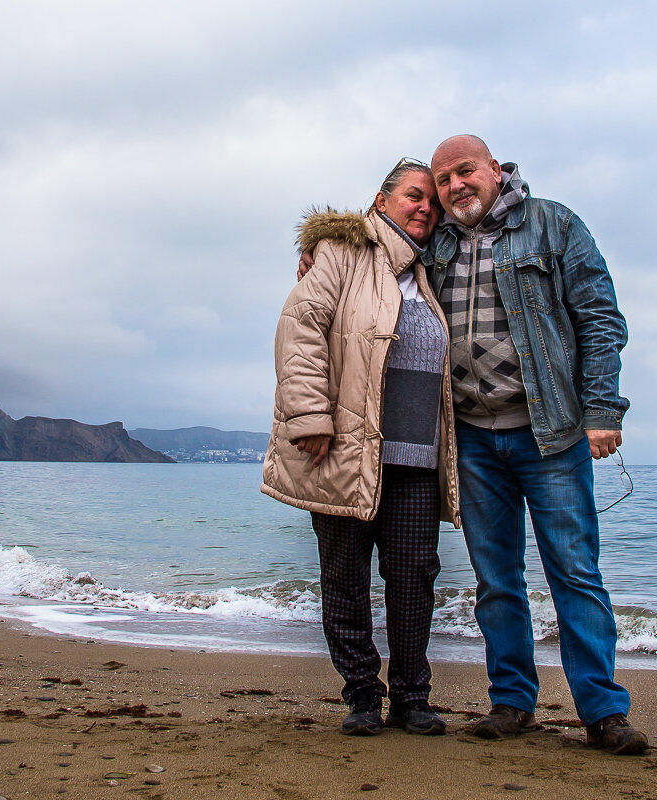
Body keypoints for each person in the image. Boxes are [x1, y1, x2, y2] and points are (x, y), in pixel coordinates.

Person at [299, 135, 647, 755]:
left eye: (466, 172)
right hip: (472, 441)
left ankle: (603, 711)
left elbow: (599, 318)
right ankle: (512, 702)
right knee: (497, 580)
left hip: (551, 433)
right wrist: (317, 250)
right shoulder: (435, 242)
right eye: (443, 181)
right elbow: (373, 243)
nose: (454, 187)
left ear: (495, 169)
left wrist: (602, 408)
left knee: (574, 572)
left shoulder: (553, 224)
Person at [261, 159, 461, 737]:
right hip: (344, 452)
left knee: (414, 579)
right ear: (381, 199)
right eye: (414, 195)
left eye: (433, 202)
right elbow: (300, 329)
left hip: (416, 461)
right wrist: (309, 416)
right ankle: (362, 694)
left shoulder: (434, 267)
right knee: (346, 578)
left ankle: (412, 697)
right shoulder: (340, 254)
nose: (425, 208)